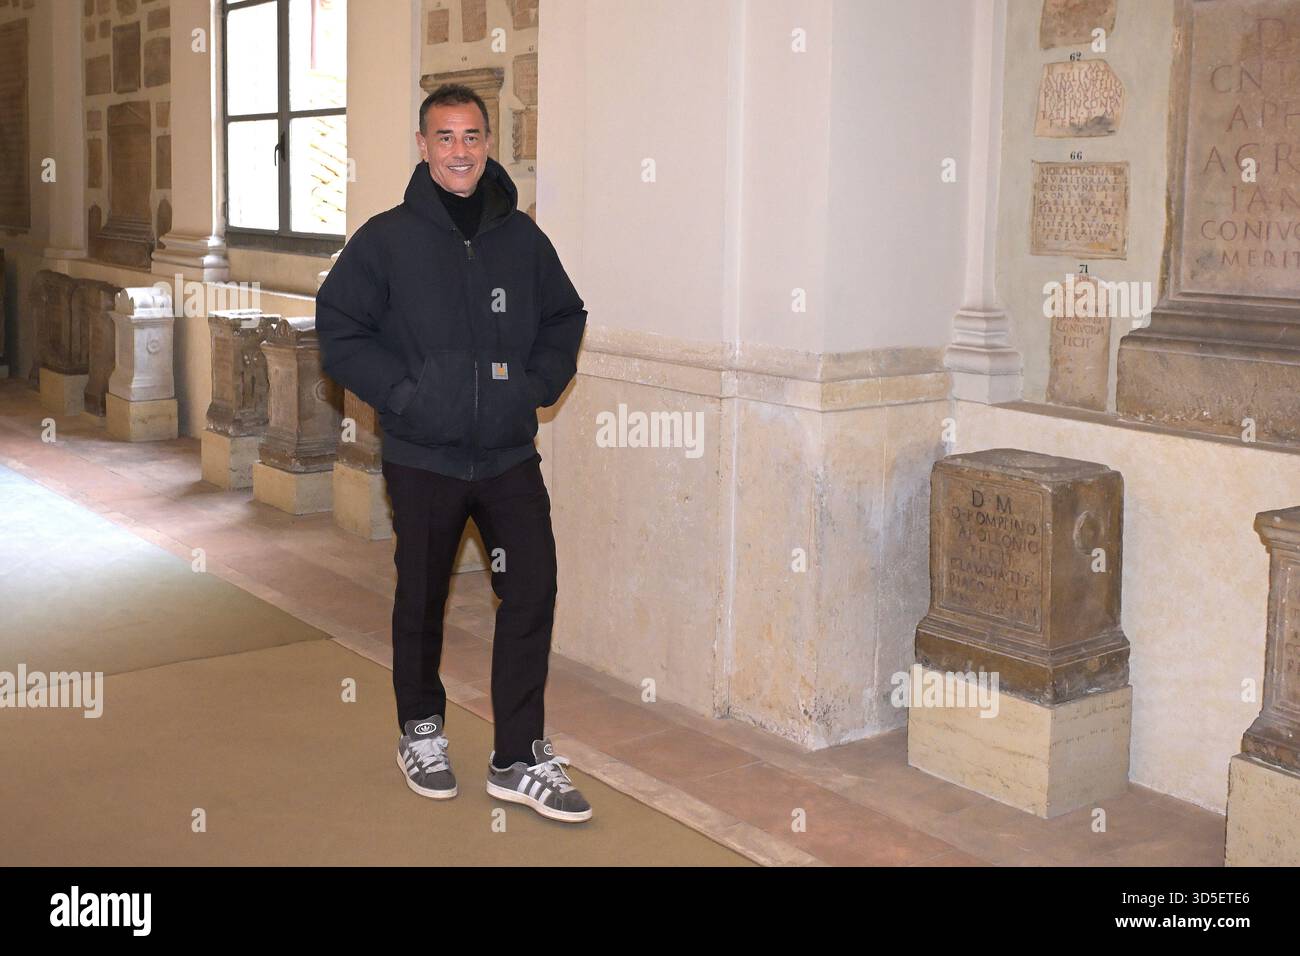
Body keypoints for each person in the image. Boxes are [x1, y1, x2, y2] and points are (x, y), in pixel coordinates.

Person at [316, 83, 591, 823]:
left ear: (489, 143)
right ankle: (422, 729)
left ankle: (517, 756)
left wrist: (528, 387)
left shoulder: (524, 240)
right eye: (445, 137)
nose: (460, 151)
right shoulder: (385, 239)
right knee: (423, 593)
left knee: (530, 589)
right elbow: (339, 327)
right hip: (424, 456)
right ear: (423, 144)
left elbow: (566, 315)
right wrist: (407, 396)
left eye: (472, 137)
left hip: (505, 455)